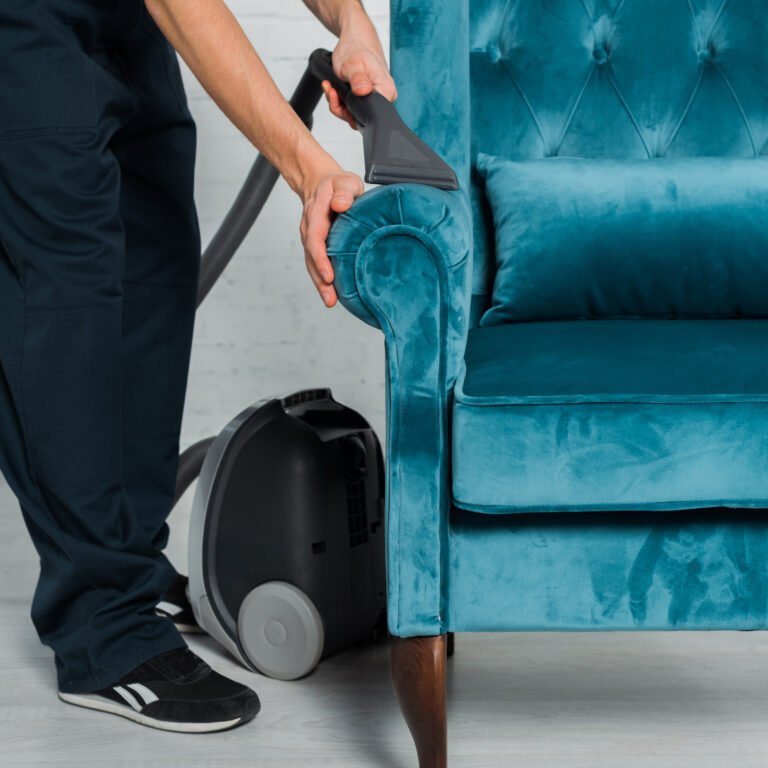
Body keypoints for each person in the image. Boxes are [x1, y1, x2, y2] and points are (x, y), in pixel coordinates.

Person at [0, 0, 395, 733]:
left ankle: (130, 570)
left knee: (156, 257)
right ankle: (99, 629)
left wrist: (349, 21)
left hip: (119, 16)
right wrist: (309, 169)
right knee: (66, 290)